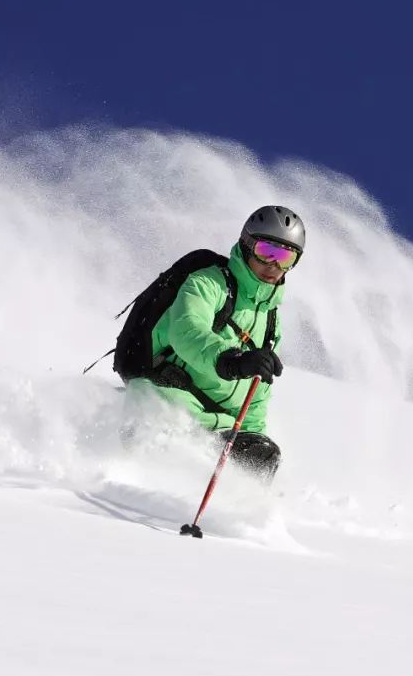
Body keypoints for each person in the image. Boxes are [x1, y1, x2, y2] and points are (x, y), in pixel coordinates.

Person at [125, 205, 305, 481]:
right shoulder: (208, 284)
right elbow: (186, 332)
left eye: (285, 257)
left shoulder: (271, 321)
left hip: (218, 427)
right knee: (163, 463)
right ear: (246, 246)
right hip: (168, 398)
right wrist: (231, 361)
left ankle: (239, 517)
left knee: (262, 458)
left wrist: (254, 435)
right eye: (266, 252)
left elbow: (257, 392)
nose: (274, 266)